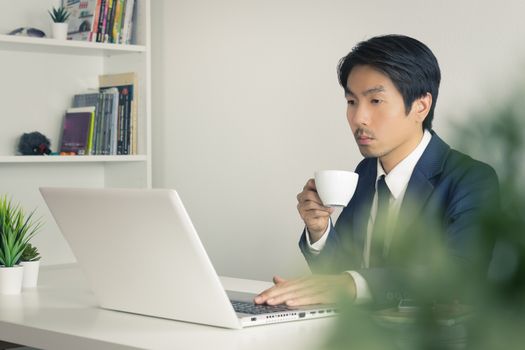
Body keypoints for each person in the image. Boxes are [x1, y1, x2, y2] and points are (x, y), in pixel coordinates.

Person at [254, 34, 499, 307]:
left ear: (421, 105)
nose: (359, 118)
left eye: (375, 101)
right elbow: (341, 276)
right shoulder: (366, 171)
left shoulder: (472, 178)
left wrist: (351, 284)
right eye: (351, 102)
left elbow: (458, 276)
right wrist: (320, 230)